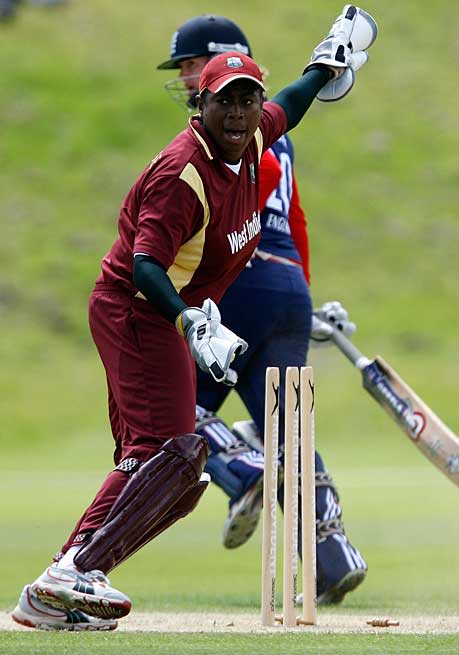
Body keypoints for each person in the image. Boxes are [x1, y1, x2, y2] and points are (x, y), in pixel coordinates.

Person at [11, 5, 375, 630]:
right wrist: (189, 322)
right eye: (224, 103)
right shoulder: (184, 175)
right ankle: (74, 573)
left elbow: (292, 100)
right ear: (198, 109)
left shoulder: (254, 132)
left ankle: (59, 584)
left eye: (246, 101)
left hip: (163, 312)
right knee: (174, 455)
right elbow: (147, 265)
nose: (237, 114)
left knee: (162, 471)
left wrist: (325, 63)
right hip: (136, 309)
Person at [160, 12, 376, 605]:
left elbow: (246, 198)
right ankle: (333, 555)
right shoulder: (275, 124)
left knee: (174, 410)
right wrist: (303, 295)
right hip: (285, 288)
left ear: (218, 62)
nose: (184, 78)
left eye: (189, 64)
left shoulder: (221, 137)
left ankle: (240, 471)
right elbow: (296, 217)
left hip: (236, 282)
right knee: (289, 427)